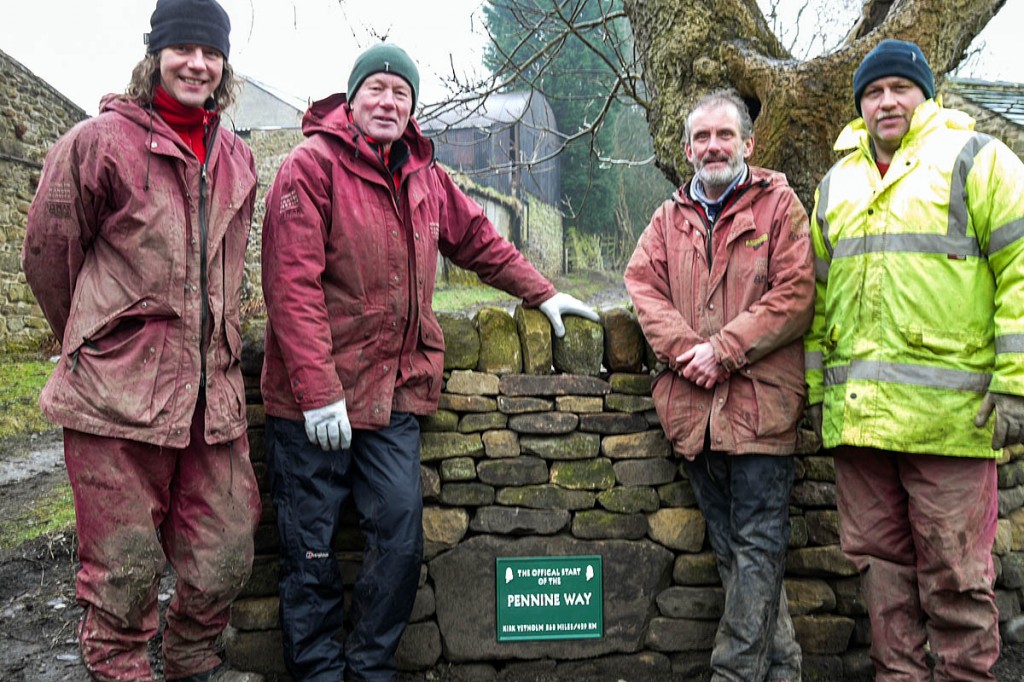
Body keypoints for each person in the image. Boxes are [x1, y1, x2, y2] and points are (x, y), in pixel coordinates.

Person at [259, 42, 598, 681]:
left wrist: (542, 290)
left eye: (401, 93)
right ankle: (318, 674)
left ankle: (370, 667)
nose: (388, 102)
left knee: (400, 539)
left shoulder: (425, 175)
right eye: (376, 90)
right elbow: (289, 284)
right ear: (352, 98)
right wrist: (317, 389)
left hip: (392, 396)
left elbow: (477, 240)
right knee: (310, 551)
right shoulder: (310, 167)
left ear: (413, 107)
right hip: (313, 406)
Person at [21, 1, 263, 680]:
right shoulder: (98, 142)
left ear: (224, 65)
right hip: (115, 397)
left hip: (209, 399)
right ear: (154, 55)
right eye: (183, 49)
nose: (197, 64)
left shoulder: (238, 158)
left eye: (210, 53)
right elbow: (48, 254)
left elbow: (231, 272)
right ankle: (120, 665)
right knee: (123, 566)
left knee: (227, 547)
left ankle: (190, 656)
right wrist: (97, 340)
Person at [804, 39, 1024, 680]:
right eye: (873, 92)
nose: (886, 101)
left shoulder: (976, 161)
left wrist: (1015, 383)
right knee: (882, 584)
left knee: (957, 582)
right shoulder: (837, 183)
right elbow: (819, 300)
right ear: (860, 106)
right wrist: (820, 393)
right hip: (863, 426)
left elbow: (1019, 273)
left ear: (926, 94)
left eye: (900, 87)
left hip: (950, 422)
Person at [625, 89, 813, 681]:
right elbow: (642, 286)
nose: (713, 146)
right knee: (739, 555)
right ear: (686, 149)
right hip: (694, 414)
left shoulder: (780, 207)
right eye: (702, 137)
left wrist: (724, 352)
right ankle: (782, 671)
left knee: (756, 549)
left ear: (748, 144)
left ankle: (731, 674)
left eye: (724, 135)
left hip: (761, 410)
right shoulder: (666, 219)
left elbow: (796, 295)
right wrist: (689, 355)